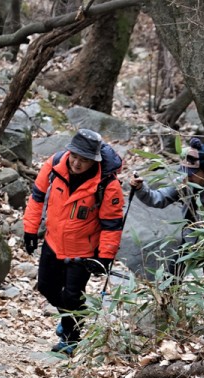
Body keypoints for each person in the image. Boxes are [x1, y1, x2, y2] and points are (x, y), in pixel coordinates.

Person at [22, 129, 125, 355]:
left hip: (83, 250)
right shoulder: (54, 165)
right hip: (52, 241)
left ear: (95, 160)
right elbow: (37, 197)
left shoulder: (107, 184)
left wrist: (105, 257)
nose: (77, 163)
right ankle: (74, 315)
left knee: (72, 295)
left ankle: (70, 338)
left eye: (84, 160)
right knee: (46, 287)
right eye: (74, 156)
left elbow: (112, 225)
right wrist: (30, 230)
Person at [128, 137, 204, 306]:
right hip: (190, 242)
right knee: (170, 280)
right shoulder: (184, 184)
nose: (187, 177)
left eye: (192, 173)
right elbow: (158, 198)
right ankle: (167, 312)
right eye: (185, 172)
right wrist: (141, 188)